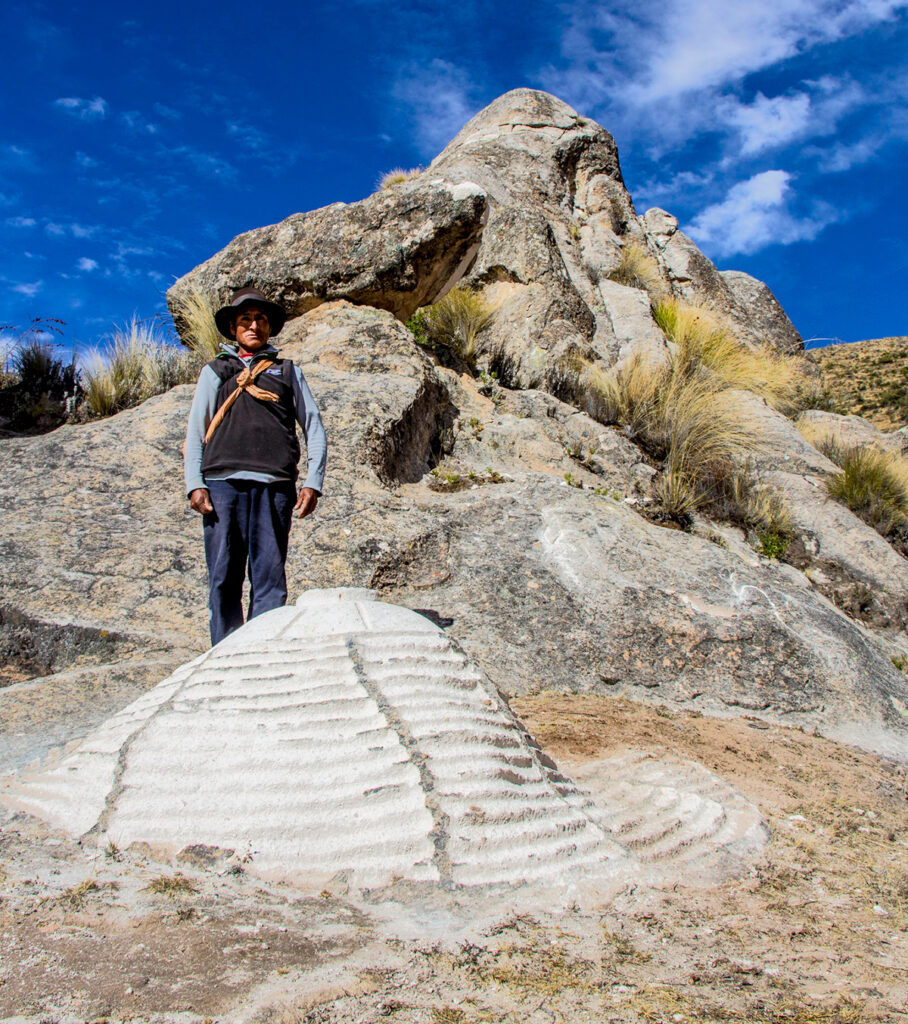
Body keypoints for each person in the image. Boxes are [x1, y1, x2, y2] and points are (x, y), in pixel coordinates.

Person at [183, 287, 327, 646]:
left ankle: (261, 653)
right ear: (233, 327)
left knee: (269, 577)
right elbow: (195, 430)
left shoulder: (288, 372)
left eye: (261, 319)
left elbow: (314, 427)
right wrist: (194, 484)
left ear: (269, 327)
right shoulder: (216, 371)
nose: (254, 325)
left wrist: (313, 481)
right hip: (222, 485)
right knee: (224, 576)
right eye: (245, 319)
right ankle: (225, 656)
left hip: (275, 486)